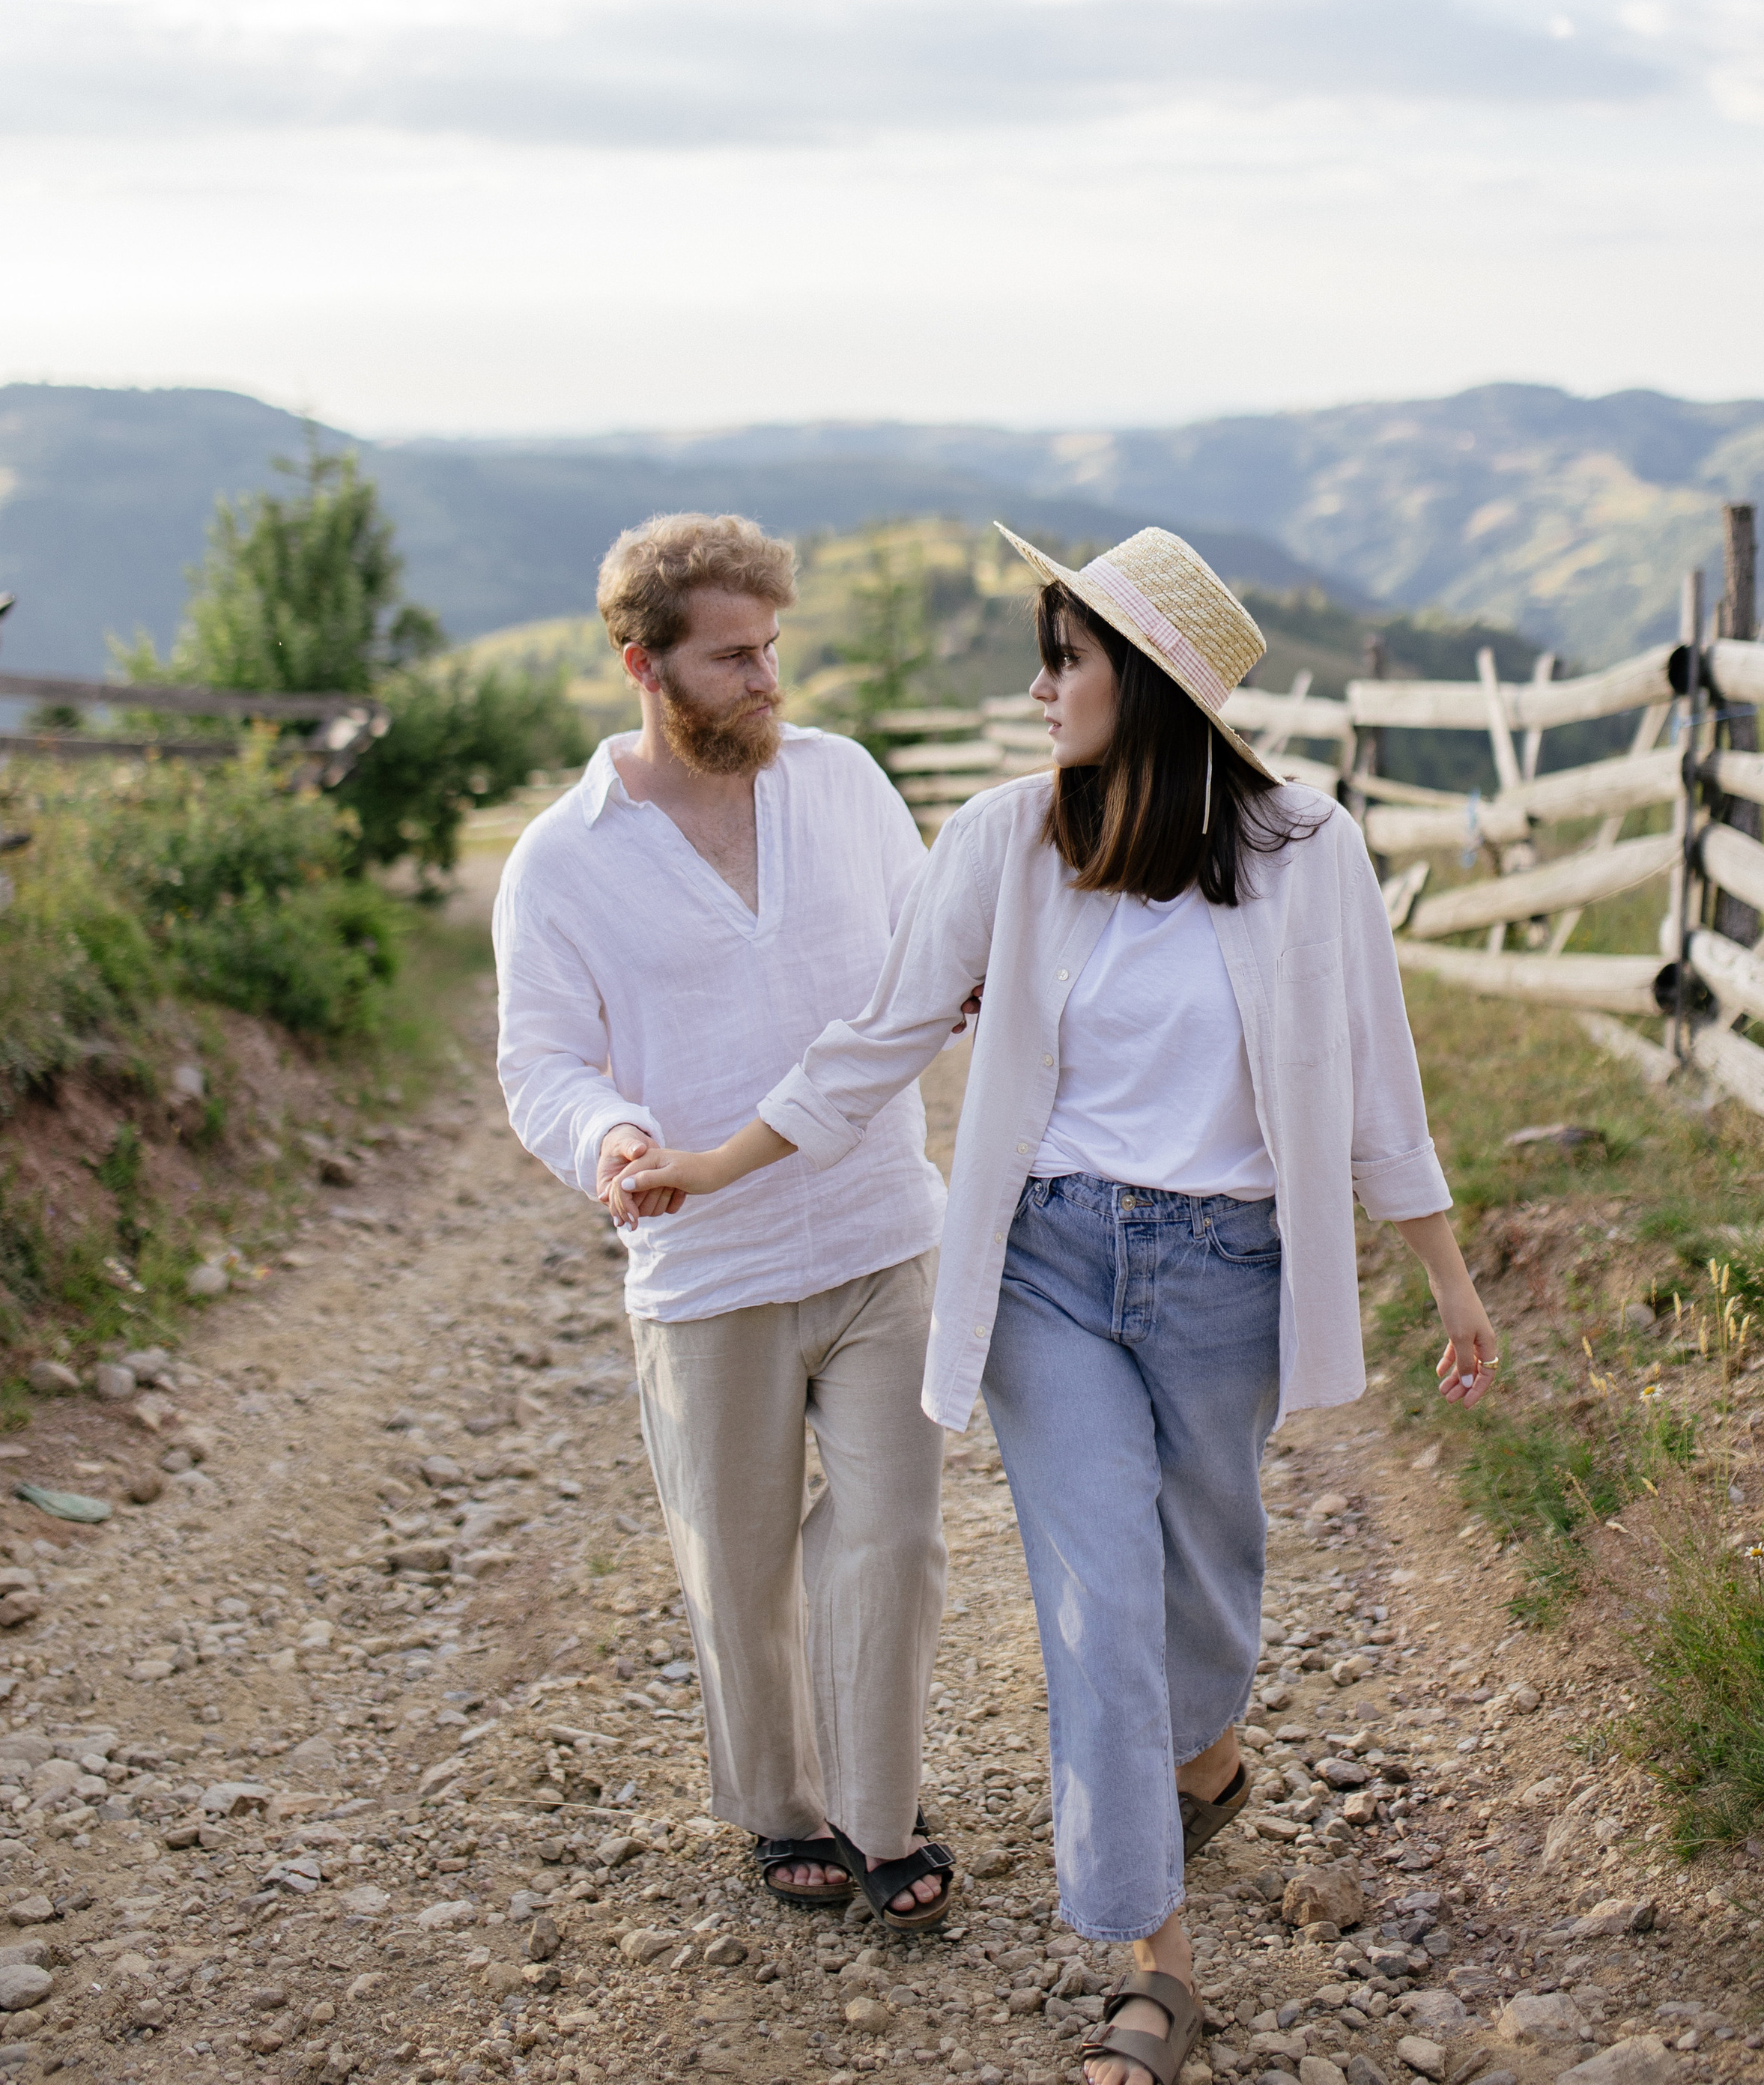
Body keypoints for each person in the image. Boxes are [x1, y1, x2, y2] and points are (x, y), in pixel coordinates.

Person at [619, 523, 1500, 2081]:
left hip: (1229, 1273)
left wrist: (1445, 1279)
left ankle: (1201, 1767)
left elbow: (1376, 1086)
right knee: (1100, 1608)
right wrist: (714, 1161)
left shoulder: (1305, 853)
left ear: (1144, 681)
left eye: (1066, 659)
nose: (1038, 690)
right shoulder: (1004, 844)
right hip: (1049, 1270)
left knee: (1204, 1595)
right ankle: (1150, 1970)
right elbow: (877, 1039)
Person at [491, 511, 960, 1927]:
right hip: (709, 1271)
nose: (769, 681)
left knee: (892, 1539)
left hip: (886, 1229)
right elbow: (541, 1061)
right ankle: (778, 1804)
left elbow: (928, 952)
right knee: (741, 1566)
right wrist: (611, 1133)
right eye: (732, 658)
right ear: (643, 664)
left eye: (774, 649)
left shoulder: (847, 784)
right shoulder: (560, 862)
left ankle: (880, 1815)